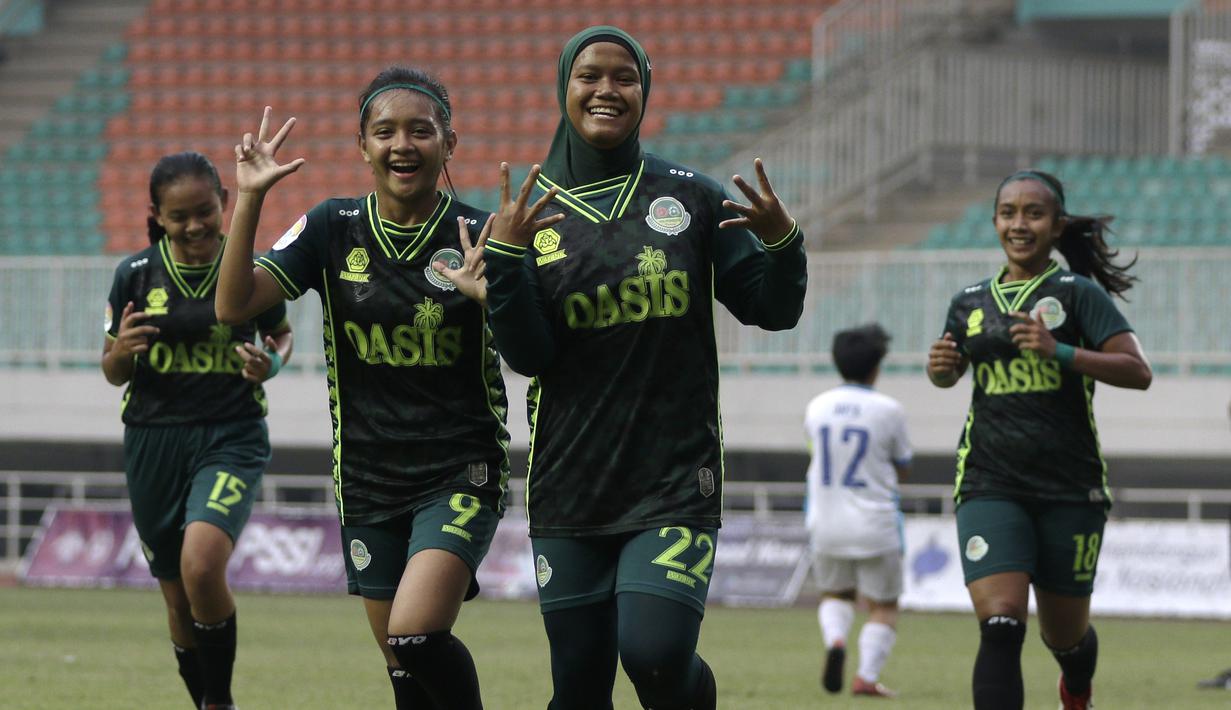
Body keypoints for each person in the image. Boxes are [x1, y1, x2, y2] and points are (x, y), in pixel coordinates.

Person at [480, 25, 808, 710]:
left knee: (656, 657)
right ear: (563, 88)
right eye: (588, 76)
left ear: (644, 89)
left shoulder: (690, 197)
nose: (605, 90)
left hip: (672, 478)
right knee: (576, 688)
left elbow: (771, 311)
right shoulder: (524, 218)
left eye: (622, 77)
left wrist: (783, 246)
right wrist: (506, 267)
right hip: (568, 482)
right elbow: (527, 356)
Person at [213, 68, 525, 710]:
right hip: (367, 477)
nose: (402, 145)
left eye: (421, 130)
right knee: (405, 675)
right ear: (362, 145)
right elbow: (234, 303)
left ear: (450, 143)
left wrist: (505, 297)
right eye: (384, 132)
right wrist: (249, 198)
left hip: (459, 471)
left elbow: (536, 346)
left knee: (414, 636)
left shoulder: (482, 234)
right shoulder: (332, 227)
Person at [926, 169, 1152, 710]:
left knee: (1064, 638)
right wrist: (942, 369)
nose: (1019, 224)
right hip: (989, 480)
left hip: (1069, 487)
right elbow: (950, 372)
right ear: (995, 222)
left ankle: (1076, 686)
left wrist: (1062, 353)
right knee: (1001, 624)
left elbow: (1137, 371)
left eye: (1033, 213)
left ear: (1056, 226)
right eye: (1008, 213)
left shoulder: (1079, 295)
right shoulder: (969, 301)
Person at [101, 151, 294, 710]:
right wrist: (122, 352)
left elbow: (280, 336)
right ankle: (208, 702)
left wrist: (271, 363)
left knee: (201, 565)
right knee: (178, 600)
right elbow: (112, 371)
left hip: (230, 435)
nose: (193, 226)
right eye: (178, 215)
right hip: (152, 440)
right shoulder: (134, 276)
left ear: (224, 205)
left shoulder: (248, 272)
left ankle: (220, 701)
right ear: (157, 216)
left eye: (204, 212)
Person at [804, 323, 910, 699]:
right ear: (877, 366)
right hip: (876, 524)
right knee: (883, 605)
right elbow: (903, 463)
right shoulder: (889, 410)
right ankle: (865, 677)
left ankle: (835, 640)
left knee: (836, 594)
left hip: (826, 522)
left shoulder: (816, 407)